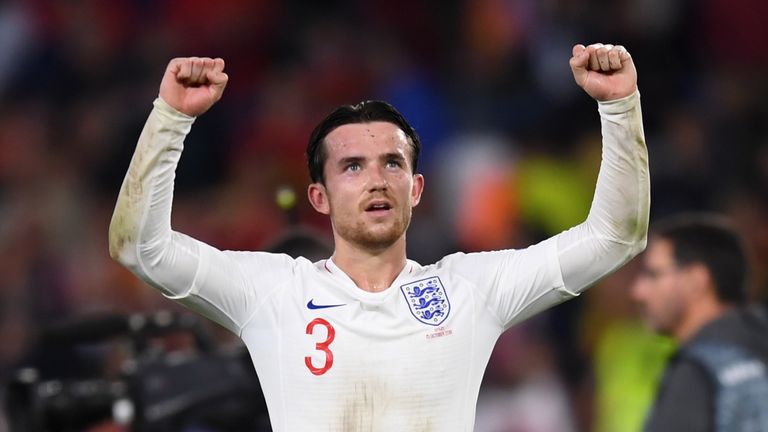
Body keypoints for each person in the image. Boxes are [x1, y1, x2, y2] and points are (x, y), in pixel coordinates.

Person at [109, 43, 649, 431]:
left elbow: (614, 236)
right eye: (352, 167)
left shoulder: (468, 291)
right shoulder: (272, 291)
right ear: (318, 197)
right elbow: (141, 247)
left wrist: (620, 108)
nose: (375, 179)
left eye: (392, 163)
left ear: (416, 189)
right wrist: (170, 120)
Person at [631, 214, 768, 432]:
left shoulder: (696, 373)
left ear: (697, 281)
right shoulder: (758, 350)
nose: (638, 292)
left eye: (653, 275)